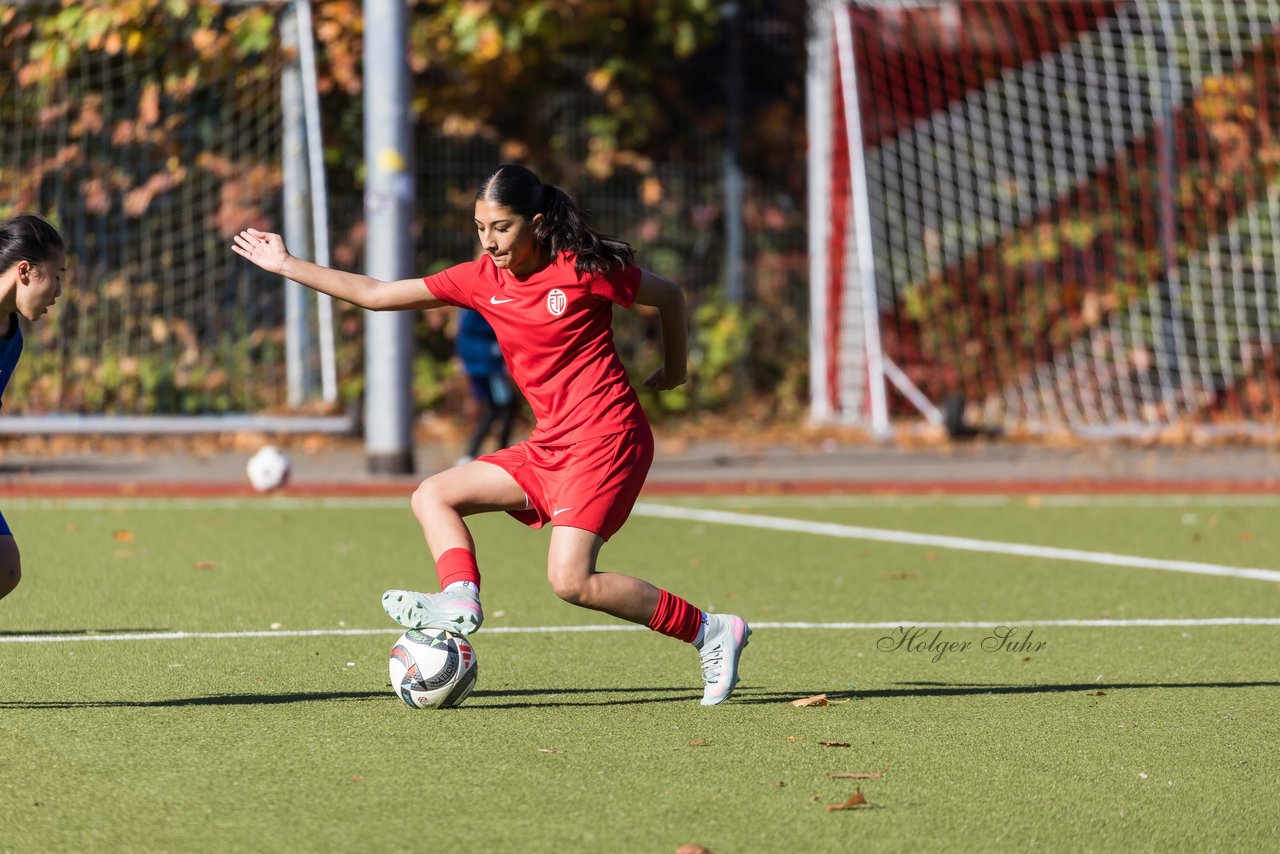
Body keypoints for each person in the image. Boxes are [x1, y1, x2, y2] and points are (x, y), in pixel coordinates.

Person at [232, 164, 750, 705]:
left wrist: (676, 369)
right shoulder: (481, 279)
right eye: (480, 228)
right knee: (433, 494)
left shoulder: (582, 270)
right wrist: (286, 263)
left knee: (571, 581)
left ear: (537, 223)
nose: (489, 241)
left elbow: (669, 296)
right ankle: (460, 596)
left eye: (502, 227)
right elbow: (378, 294)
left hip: (608, 438)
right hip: (551, 444)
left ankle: (711, 631)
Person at [0, 214, 66, 602]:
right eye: (56, 275)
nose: (59, 290)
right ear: (25, 271)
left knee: (5, 566)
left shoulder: (13, 340)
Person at [453, 308, 518, 466]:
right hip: (488, 364)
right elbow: (479, 325)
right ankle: (498, 452)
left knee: (493, 409)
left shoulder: (465, 308)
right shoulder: (478, 306)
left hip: (480, 363)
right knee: (505, 407)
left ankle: (473, 452)